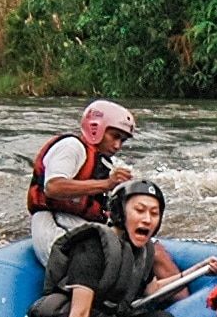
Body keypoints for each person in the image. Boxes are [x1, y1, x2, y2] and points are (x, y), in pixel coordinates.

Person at [29, 179, 186, 317]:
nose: (147, 219)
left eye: (154, 213)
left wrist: (200, 270)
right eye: (139, 210)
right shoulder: (93, 245)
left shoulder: (139, 251)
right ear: (120, 212)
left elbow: (154, 289)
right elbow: (80, 310)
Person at [27, 99, 138, 250]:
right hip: (52, 220)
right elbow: (53, 187)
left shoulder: (103, 162)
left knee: (154, 251)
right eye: (115, 136)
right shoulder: (71, 147)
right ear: (96, 128)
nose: (118, 146)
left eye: (123, 140)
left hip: (78, 222)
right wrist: (106, 184)